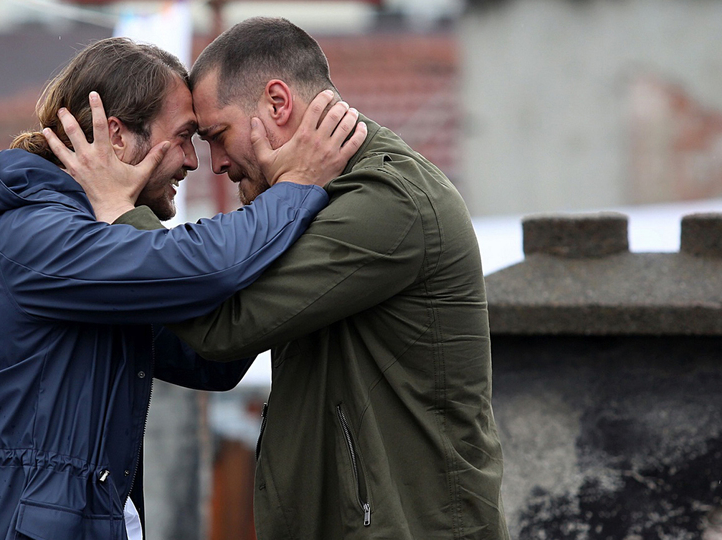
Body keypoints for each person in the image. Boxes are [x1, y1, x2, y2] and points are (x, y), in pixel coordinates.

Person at [52, 17, 511, 540]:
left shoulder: (388, 203)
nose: (215, 164)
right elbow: (214, 355)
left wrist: (119, 214)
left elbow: (225, 328)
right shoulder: (318, 201)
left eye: (218, 136)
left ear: (277, 103)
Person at [0, 37, 365, 540]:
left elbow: (211, 360)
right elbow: (195, 265)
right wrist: (296, 187)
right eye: (182, 137)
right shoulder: (31, 234)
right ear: (116, 135)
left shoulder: (93, 248)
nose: (193, 161)